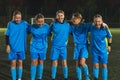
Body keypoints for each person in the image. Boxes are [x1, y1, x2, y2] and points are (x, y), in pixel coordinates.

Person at [5, 10, 28, 80]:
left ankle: (19, 78)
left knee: (20, 62)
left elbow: (32, 28)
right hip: (12, 48)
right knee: (13, 63)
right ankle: (14, 78)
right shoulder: (10, 24)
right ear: (13, 17)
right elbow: (7, 35)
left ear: (21, 17)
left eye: (19, 17)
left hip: (21, 47)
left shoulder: (24, 23)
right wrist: (8, 45)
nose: (18, 19)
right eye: (16, 17)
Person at [90, 14, 112, 80]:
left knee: (104, 65)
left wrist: (109, 46)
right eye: (96, 21)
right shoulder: (91, 27)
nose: (97, 23)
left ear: (102, 21)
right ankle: (95, 78)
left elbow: (110, 37)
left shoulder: (105, 28)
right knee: (95, 65)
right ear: (93, 21)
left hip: (103, 50)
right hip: (94, 51)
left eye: (99, 21)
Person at [28, 13, 50, 80]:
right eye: (39, 21)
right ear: (35, 21)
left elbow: (51, 33)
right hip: (34, 46)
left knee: (41, 62)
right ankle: (32, 78)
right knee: (34, 62)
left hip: (43, 47)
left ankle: (39, 77)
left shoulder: (47, 26)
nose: (40, 23)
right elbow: (23, 31)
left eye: (42, 21)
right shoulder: (31, 27)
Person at [69, 12, 90, 80]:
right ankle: (79, 78)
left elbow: (94, 25)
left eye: (76, 19)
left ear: (80, 19)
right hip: (77, 46)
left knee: (82, 62)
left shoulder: (85, 26)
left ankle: (87, 77)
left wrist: (103, 24)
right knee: (77, 64)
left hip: (84, 46)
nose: (74, 20)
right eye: (73, 19)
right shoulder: (72, 27)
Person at [50, 10, 70, 80]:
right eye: (58, 15)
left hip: (63, 47)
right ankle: (53, 77)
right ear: (56, 16)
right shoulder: (53, 24)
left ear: (64, 16)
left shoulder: (67, 25)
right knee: (55, 62)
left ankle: (66, 77)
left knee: (64, 62)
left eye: (61, 15)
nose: (60, 17)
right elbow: (48, 32)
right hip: (55, 46)